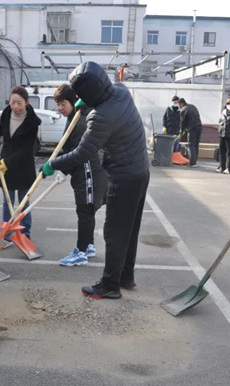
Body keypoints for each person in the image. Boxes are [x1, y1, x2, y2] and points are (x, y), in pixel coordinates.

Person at [42, 61, 150, 299]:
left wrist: (53, 164)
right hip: (141, 171)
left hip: (124, 176)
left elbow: (82, 153)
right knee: (130, 228)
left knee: (114, 231)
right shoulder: (121, 90)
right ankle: (126, 276)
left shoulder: (100, 117)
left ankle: (110, 285)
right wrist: (87, 102)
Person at [53, 83, 108, 266]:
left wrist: (60, 167)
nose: (60, 108)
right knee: (86, 212)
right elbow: (67, 147)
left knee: (85, 211)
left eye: (63, 104)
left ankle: (81, 251)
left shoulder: (81, 121)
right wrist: (61, 168)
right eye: (58, 104)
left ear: (73, 101)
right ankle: (89, 245)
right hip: (83, 173)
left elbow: (76, 153)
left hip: (89, 174)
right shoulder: (74, 117)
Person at [0, 86, 41, 240]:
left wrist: (8, 162)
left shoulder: (32, 122)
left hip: (23, 165)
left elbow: (27, 149)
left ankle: (25, 233)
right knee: (7, 201)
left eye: (19, 103)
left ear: (27, 103)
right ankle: (7, 233)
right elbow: (4, 130)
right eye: (12, 102)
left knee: (24, 202)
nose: (15, 106)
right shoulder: (6, 113)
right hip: (6, 164)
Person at [177, 98, 202, 167]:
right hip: (199, 127)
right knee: (196, 144)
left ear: (181, 104)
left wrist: (181, 131)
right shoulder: (193, 106)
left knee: (191, 145)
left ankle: (193, 163)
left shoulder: (183, 110)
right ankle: (195, 160)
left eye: (178, 105)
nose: (178, 107)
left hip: (192, 129)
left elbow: (182, 122)